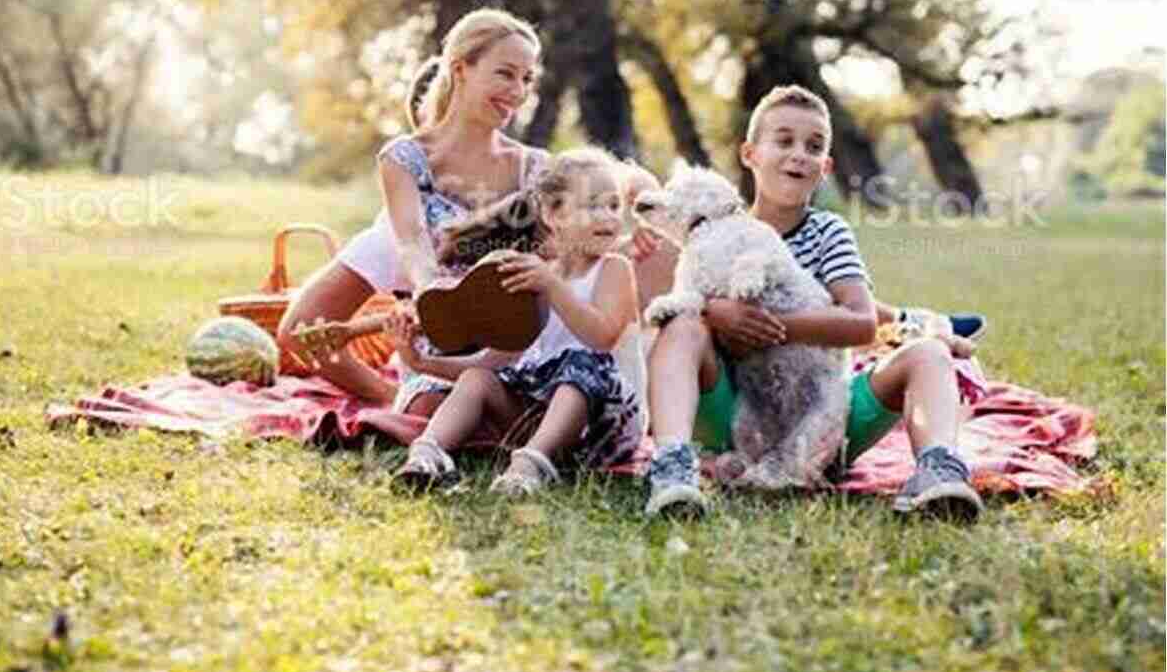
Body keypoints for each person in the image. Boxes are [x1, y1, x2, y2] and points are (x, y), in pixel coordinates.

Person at [644, 85, 985, 521]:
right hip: (734, 419)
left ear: (825, 167)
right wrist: (714, 313)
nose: (799, 154)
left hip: (824, 416)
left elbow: (861, 323)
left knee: (930, 354)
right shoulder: (713, 233)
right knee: (681, 327)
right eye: (783, 141)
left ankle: (938, 470)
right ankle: (672, 467)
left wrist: (774, 323)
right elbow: (682, 306)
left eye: (814, 146)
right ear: (750, 154)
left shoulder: (828, 232)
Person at [275, 8, 549, 408]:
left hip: (524, 344)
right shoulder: (405, 158)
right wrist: (430, 292)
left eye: (527, 79)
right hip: (440, 351)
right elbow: (412, 238)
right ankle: (410, 401)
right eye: (505, 74)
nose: (518, 91)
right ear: (460, 69)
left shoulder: (536, 167)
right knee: (430, 407)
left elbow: (593, 205)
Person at [389, 148, 646, 495]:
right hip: (541, 419)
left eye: (614, 206)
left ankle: (528, 466)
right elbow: (498, 360)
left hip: (605, 425)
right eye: (593, 206)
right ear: (553, 214)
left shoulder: (614, 269)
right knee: (478, 378)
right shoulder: (535, 273)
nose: (609, 218)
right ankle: (428, 455)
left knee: (581, 364)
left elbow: (601, 338)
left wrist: (552, 286)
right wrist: (420, 362)